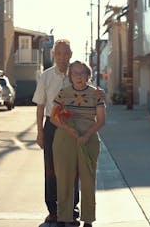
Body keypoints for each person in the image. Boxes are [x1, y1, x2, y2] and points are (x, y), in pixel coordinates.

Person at [50, 61, 106, 227]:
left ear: (88, 75)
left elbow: (101, 120)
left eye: (82, 73)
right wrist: (68, 128)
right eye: (75, 73)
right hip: (65, 138)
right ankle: (64, 218)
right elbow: (53, 117)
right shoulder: (63, 93)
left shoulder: (97, 94)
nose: (79, 76)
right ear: (70, 76)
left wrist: (87, 135)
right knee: (64, 179)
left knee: (88, 180)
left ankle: (88, 219)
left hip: (89, 139)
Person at [32, 39, 81, 226]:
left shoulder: (77, 75)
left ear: (70, 54)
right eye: (58, 53)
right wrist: (40, 133)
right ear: (53, 55)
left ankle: (72, 209)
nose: (62, 57)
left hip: (73, 126)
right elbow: (40, 107)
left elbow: (87, 98)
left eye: (65, 53)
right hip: (51, 126)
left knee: (72, 169)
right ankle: (53, 211)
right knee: (51, 169)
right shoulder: (46, 77)